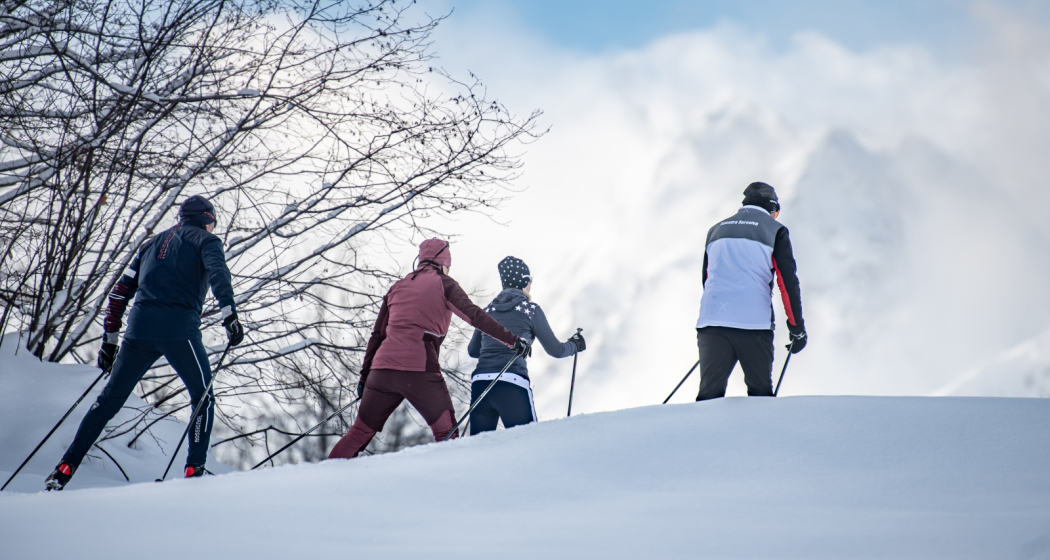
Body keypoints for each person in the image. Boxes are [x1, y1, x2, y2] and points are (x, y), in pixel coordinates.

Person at [45, 195, 244, 490]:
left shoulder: (150, 245)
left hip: (138, 332)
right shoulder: (207, 241)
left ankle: (65, 467)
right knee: (203, 397)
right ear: (207, 218)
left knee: (108, 402)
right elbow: (218, 273)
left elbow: (118, 293)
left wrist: (110, 341)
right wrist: (229, 314)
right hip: (179, 331)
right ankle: (194, 470)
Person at [327, 239, 529, 459]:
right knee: (447, 434)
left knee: (358, 433)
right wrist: (512, 340)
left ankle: (326, 473)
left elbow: (377, 335)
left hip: (381, 372)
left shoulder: (397, 287)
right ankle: (451, 478)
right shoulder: (445, 283)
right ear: (443, 263)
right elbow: (474, 315)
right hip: (419, 370)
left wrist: (364, 379)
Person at [694, 181, 807, 401]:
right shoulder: (775, 230)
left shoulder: (716, 230)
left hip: (712, 321)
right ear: (772, 208)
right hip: (754, 324)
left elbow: (707, 280)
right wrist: (797, 328)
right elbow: (787, 284)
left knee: (708, 397)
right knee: (760, 396)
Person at [466, 257, 584, 434]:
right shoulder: (530, 310)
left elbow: (473, 351)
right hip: (511, 384)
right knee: (529, 442)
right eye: (530, 280)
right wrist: (575, 345)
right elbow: (556, 351)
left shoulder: (487, 311)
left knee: (479, 447)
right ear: (524, 282)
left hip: (481, 384)